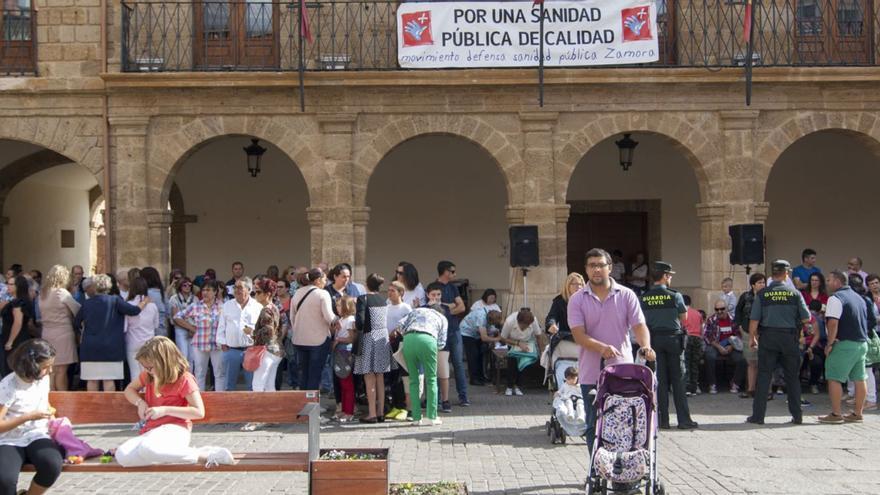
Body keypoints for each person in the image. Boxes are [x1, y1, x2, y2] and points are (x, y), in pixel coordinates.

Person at [568, 248, 656, 452]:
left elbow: (639, 325)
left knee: (623, 422)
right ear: (586, 270)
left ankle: (621, 468)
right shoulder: (577, 299)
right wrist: (601, 347)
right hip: (591, 372)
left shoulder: (626, 295)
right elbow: (578, 335)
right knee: (593, 425)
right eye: (592, 266)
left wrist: (645, 346)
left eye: (601, 265)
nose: (597, 269)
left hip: (622, 370)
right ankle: (596, 470)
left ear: (610, 268)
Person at [115, 336, 234, 468]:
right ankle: (176, 454)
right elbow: (129, 389)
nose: (147, 370)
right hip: (152, 431)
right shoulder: (148, 376)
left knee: (147, 449)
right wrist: (140, 403)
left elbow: (199, 412)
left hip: (176, 429)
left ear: (164, 362)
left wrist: (165, 410)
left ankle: (205, 456)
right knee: (122, 454)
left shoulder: (184, 379)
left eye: (150, 367)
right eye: (145, 367)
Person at [747, 260, 810, 425]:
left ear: (772, 274)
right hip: (789, 338)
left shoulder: (762, 294)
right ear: (786, 274)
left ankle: (758, 416)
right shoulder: (795, 293)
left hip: (768, 338)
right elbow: (806, 317)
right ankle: (797, 416)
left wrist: (752, 337)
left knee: (764, 377)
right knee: (792, 378)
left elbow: (754, 319)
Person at [0, 339, 64, 495]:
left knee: (52, 464)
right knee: (5, 479)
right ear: (31, 367)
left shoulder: (42, 379)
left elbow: (43, 402)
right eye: (45, 367)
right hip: (9, 439)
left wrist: (50, 415)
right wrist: (27, 417)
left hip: (36, 434)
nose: (50, 371)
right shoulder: (8, 385)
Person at [640, 261, 698, 430]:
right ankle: (684, 420)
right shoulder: (675, 295)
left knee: (660, 382)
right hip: (673, 340)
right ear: (665, 276)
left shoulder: (645, 297)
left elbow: (641, 320)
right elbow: (684, 317)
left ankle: (663, 420)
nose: (670, 278)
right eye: (669, 275)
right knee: (679, 381)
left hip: (654, 340)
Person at [74, 274, 149, 392]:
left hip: (90, 347)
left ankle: (92, 408)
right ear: (109, 286)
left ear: (94, 287)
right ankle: (108, 408)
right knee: (109, 380)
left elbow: (76, 322)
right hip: (111, 346)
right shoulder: (115, 300)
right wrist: (144, 302)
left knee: (92, 380)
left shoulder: (87, 303)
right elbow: (133, 311)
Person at [817, 270, 870, 424]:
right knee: (860, 378)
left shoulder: (835, 298)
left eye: (829, 279)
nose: (827, 283)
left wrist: (830, 343)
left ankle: (836, 414)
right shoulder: (859, 297)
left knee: (834, 377)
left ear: (837, 281)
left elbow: (833, 322)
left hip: (844, 343)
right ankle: (858, 413)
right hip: (861, 343)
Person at [399, 303, 448, 426]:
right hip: (428, 340)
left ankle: (416, 417)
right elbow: (442, 343)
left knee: (413, 380)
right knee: (431, 379)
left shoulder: (417, 310)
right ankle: (432, 416)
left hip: (409, 339)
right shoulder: (442, 318)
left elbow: (400, 324)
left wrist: (407, 335)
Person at [173, 279, 225, 391]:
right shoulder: (195, 306)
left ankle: (221, 398)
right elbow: (177, 316)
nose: (205, 292)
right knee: (200, 373)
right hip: (199, 344)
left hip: (217, 345)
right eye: (203, 290)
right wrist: (191, 327)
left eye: (208, 290)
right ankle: (200, 398)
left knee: (219, 373)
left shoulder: (223, 306)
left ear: (215, 292)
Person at [290, 268, 338, 391]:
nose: (326, 282)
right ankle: (313, 405)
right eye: (324, 279)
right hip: (318, 340)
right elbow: (329, 317)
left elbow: (292, 317)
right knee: (315, 375)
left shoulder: (297, 292)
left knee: (304, 374)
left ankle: (305, 403)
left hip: (299, 339)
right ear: (317, 280)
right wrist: (339, 319)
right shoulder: (323, 294)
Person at [354, 274, 391, 424]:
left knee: (369, 377)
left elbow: (360, 322)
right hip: (383, 337)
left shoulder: (363, 299)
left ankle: (372, 413)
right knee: (380, 377)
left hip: (369, 338)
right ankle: (381, 412)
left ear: (366, 284)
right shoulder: (383, 300)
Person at [37, 265, 80, 391]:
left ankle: (51, 398)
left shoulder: (43, 293)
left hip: (47, 333)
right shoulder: (61, 293)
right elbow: (78, 310)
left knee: (51, 370)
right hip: (63, 332)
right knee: (61, 371)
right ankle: (63, 400)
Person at [217, 277, 261, 391]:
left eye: (240, 287)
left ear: (249, 289)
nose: (236, 290)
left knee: (252, 386)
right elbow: (221, 326)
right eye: (235, 287)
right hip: (231, 350)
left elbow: (262, 329)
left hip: (251, 351)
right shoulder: (227, 305)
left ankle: (251, 408)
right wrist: (222, 343)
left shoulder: (258, 307)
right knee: (229, 386)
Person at [435, 261, 469, 410]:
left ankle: (463, 397)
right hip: (438, 331)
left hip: (454, 329)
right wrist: (451, 307)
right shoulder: (433, 287)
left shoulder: (453, 288)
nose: (455, 274)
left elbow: (462, 307)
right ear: (445, 272)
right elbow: (434, 307)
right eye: (453, 271)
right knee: (437, 365)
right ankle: (436, 398)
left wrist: (447, 309)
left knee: (458, 363)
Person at [545, 273, 585, 388]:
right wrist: (551, 324)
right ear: (568, 285)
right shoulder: (559, 301)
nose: (578, 287)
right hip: (566, 338)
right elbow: (551, 317)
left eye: (580, 284)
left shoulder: (588, 300)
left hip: (584, 337)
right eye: (575, 284)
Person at [734, 273, 766, 399]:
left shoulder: (767, 296)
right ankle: (751, 389)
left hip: (764, 333)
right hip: (748, 332)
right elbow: (738, 312)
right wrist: (740, 327)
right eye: (759, 282)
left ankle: (765, 390)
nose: (762, 285)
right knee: (751, 362)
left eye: (763, 282)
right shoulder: (746, 296)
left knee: (764, 362)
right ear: (753, 285)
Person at [703, 300, 746, 394]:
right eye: (717, 309)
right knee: (709, 356)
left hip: (731, 345)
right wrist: (719, 347)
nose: (719, 312)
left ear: (726, 309)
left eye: (722, 309)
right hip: (716, 344)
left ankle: (735, 382)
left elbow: (739, 335)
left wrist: (731, 346)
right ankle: (712, 384)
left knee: (742, 359)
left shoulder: (733, 319)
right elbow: (707, 336)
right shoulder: (711, 319)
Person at [384, 281, 412, 420]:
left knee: (402, 377)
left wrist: (397, 332)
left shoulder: (406, 308)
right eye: (388, 290)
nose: (389, 293)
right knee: (392, 376)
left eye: (393, 291)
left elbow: (409, 325)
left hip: (400, 344)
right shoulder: (386, 307)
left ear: (401, 293)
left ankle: (404, 407)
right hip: (387, 344)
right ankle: (395, 405)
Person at [500, 309, 543, 396]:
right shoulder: (509, 321)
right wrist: (518, 343)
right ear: (519, 322)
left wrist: (541, 351)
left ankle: (518, 386)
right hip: (512, 342)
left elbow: (538, 336)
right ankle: (509, 386)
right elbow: (502, 338)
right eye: (524, 326)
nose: (526, 327)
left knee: (524, 364)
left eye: (528, 326)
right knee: (512, 363)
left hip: (527, 343)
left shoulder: (533, 320)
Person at [251, 278, 282, 396]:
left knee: (257, 385)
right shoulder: (275, 308)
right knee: (270, 386)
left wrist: (253, 333)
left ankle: (258, 413)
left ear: (267, 294)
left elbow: (268, 331)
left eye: (258, 292)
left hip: (266, 351)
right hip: (276, 350)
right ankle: (271, 412)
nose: (255, 295)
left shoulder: (266, 311)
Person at [124, 277, 160, 379]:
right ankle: (148, 394)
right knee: (149, 373)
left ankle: (135, 394)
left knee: (134, 373)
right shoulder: (153, 305)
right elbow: (156, 325)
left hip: (132, 341)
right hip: (149, 342)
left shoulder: (128, 305)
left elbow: (125, 327)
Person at [460, 305, 503, 387]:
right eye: (493, 323)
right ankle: (474, 379)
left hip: (475, 334)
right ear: (490, 321)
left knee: (480, 354)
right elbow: (484, 337)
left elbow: (490, 328)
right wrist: (497, 338)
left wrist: (497, 331)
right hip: (466, 332)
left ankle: (481, 377)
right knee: (473, 355)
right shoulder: (481, 318)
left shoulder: (490, 314)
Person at [1, 276, 35, 376]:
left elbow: (18, 322)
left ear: (18, 286)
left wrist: (10, 341)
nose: (8, 286)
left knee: (12, 369)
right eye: (8, 283)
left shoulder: (18, 302)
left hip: (16, 340)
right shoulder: (17, 301)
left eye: (11, 284)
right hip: (17, 337)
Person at [333, 296, 357, 422]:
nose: (336, 308)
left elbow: (351, 338)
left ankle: (349, 411)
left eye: (339, 305)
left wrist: (338, 339)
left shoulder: (350, 320)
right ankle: (343, 410)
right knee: (342, 383)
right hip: (338, 352)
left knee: (348, 384)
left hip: (345, 352)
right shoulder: (341, 319)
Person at [168, 277, 197, 371]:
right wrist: (191, 328)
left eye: (189, 285)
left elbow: (198, 316)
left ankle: (190, 380)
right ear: (180, 286)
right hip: (180, 329)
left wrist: (193, 329)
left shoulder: (195, 298)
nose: (187, 287)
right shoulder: (174, 298)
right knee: (183, 356)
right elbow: (176, 318)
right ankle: (183, 380)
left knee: (192, 358)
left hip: (193, 328)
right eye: (185, 285)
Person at [682, 294, 704, 396]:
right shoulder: (698, 313)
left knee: (686, 363)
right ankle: (694, 388)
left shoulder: (682, 313)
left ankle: (687, 388)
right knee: (694, 364)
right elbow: (701, 328)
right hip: (698, 339)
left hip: (687, 337)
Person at [140, 267, 168, 339]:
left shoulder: (145, 294)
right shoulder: (162, 294)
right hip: (162, 331)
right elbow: (168, 312)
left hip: (147, 332)